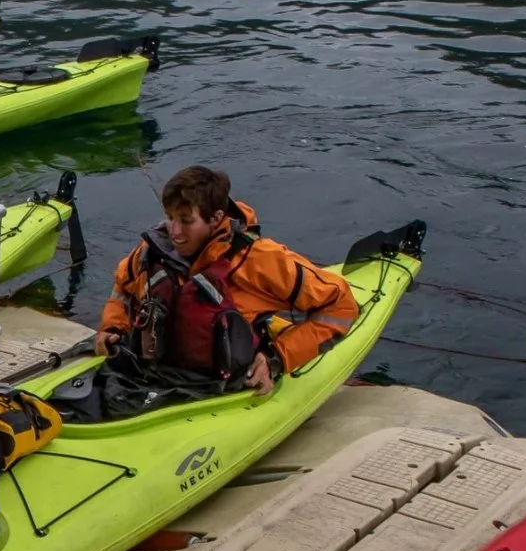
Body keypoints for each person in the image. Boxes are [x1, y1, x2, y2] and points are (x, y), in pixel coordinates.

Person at [95, 165, 357, 396]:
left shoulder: (259, 260)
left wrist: (277, 358)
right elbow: (122, 288)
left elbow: (340, 306)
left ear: (215, 219)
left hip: (228, 385)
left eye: (186, 221)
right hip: (153, 374)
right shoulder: (151, 252)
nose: (174, 231)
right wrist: (112, 327)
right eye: (170, 217)